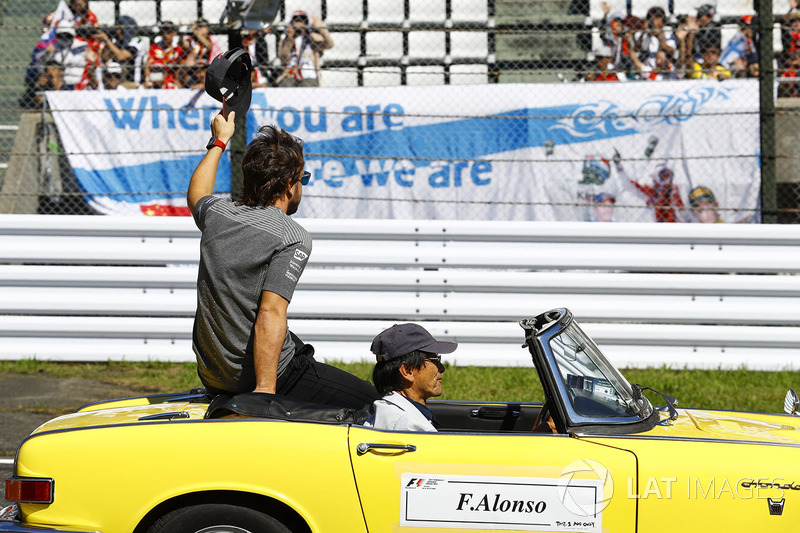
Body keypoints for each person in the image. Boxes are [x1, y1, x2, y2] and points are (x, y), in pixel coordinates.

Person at [188, 111, 380, 408]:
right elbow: (270, 313)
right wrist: (265, 392)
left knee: (299, 348)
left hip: (214, 374)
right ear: (290, 185)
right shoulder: (291, 236)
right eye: (303, 179)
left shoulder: (217, 214)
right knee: (371, 401)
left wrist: (220, 141)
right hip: (259, 378)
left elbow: (197, 193)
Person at [366, 323, 457, 432]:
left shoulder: (394, 412)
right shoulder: (410, 427)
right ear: (407, 371)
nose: (442, 368)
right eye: (434, 360)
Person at [277, 10, 334, 87]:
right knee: (286, 85)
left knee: (308, 85)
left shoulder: (312, 38)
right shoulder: (285, 39)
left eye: (302, 21)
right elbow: (283, 58)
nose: (299, 24)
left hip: (308, 74)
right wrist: (290, 40)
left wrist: (321, 28)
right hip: (290, 73)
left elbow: (330, 44)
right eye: (296, 21)